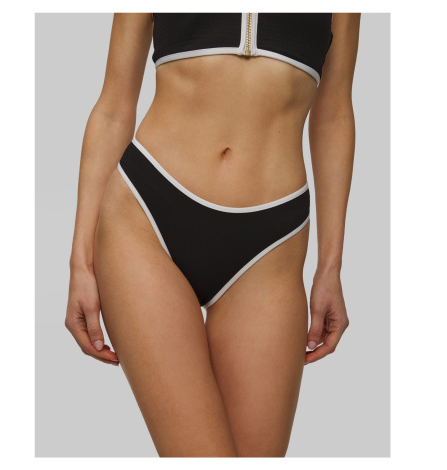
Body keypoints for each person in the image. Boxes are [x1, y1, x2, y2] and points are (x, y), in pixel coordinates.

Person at [65, 13, 360, 457]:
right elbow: (114, 105)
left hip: (271, 244)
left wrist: (330, 266)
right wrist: (81, 263)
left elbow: (334, 113)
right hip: (148, 218)